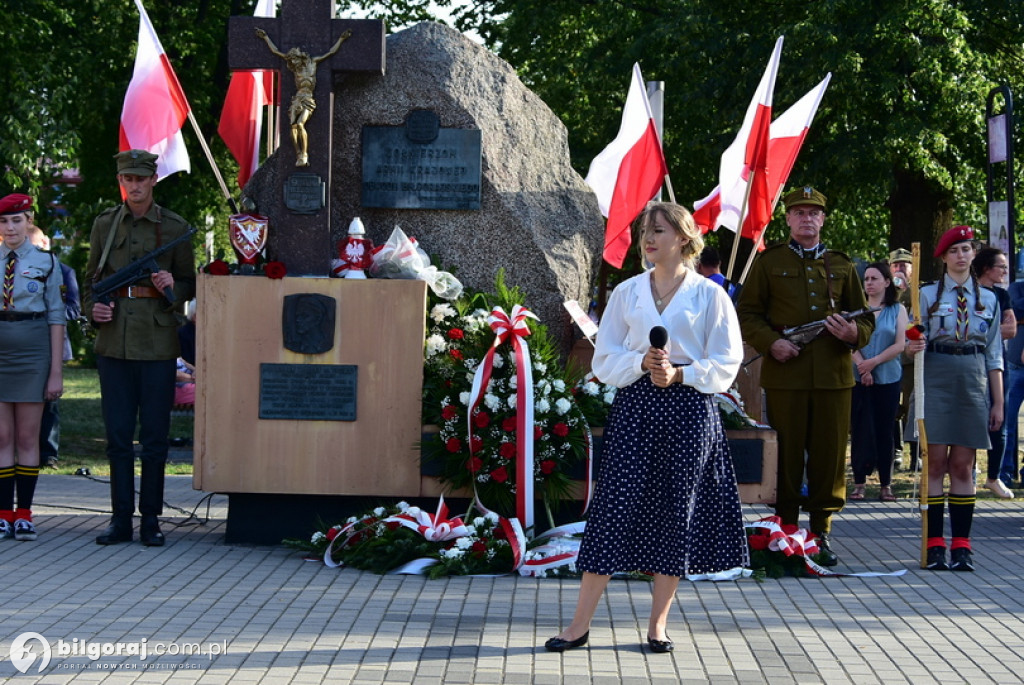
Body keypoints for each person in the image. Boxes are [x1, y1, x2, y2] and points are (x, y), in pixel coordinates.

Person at [545, 203, 746, 654]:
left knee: (675, 511)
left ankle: (658, 625)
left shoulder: (710, 295)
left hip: (689, 412)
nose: (648, 239)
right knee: (613, 508)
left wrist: (682, 374)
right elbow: (603, 357)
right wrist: (639, 362)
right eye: (644, 232)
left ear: (683, 237)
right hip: (636, 408)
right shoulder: (627, 292)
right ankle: (578, 625)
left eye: (658, 230)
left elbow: (726, 361)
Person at [736, 186, 874, 566]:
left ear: (823, 219)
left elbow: (864, 318)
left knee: (828, 456)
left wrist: (852, 335)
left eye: (814, 212)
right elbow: (748, 314)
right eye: (799, 212)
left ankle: (820, 532)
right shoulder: (769, 262)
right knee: (786, 455)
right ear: (788, 219)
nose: (807, 218)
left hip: (833, 375)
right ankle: (785, 531)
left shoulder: (842, 264)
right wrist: (771, 344)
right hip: (787, 374)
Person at [83, 150, 196, 547]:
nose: (133, 186)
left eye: (140, 179)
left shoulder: (175, 227)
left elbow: (190, 285)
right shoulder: (105, 225)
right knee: (117, 436)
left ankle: (151, 520)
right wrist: (92, 309)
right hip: (113, 341)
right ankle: (120, 521)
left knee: (154, 437)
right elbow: (90, 280)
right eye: (127, 179)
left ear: (152, 181)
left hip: (157, 343)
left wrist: (172, 286)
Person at [918, 226, 1002, 572]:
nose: (961, 256)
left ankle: (962, 546)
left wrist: (998, 402)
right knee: (936, 463)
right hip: (936, 375)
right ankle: (935, 544)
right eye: (954, 251)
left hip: (972, 378)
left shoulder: (991, 299)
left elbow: (994, 353)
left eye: (966, 249)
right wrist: (912, 344)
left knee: (963, 465)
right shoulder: (924, 295)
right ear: (944, 258)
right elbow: (911, 344)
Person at [0, 193, 65, 541]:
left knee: (27, 436)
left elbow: (57, 317)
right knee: (1, 436)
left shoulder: (47, 262)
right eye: (4, 221)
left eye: (17, 220)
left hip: (33, 353)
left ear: (28, 221)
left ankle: (24, 513)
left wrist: (55, 370)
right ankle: (2, 513)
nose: (10, 228)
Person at [849, 262, 907, 501]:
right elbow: (848, 341)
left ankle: (886, 483)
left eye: (874, 278)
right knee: (860, 428)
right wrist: (863, 365)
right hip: (858, 376)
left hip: (888, 377)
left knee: (885, 429)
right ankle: (859, 482)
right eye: (866, 279)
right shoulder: (856, 309)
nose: (869, 283)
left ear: (886, 282)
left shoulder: (897, 310)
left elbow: (899, 344)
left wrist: (873, 363)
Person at [27, 217, 80, 468]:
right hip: (22, 345)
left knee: (49, 401)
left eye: (36, 247)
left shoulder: (64, 271)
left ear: (46, 243)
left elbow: (74, 308)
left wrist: (49, 311)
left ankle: (48, 453)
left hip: (52, 344)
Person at [255, 28, 350, 166]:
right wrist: (265, 38)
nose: (292, 63)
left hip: (308, 99)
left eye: (294, 59)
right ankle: (298, 154)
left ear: (299, 58)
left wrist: (341, 39)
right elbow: (275, 52)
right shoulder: (295, 69)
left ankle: (304, 154)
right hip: (297, 99)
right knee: (292, 126)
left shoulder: (313, 63)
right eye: (291, 61)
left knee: (300, 124)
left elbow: (331, 52)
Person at [972, 246, 1015, 499]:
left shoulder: (1002, 295)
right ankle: (970, 470)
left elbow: (1011, 330)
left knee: (1000, 422)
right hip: (971, 365)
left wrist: (982, 330)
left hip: (997, 363)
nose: (1005, 271)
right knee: (971, 418)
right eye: (1001, 267)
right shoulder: (970, 291)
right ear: (987, 268)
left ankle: (994, 476)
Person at [889, 247, 918, 470]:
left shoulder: (918, 292)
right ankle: (895, 452)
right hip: (889, 357)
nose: (899, 269)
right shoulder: (885, 291)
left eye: (904, 265)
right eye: (895, 265)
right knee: (891, 407)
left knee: (911, 406)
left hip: (910, 360)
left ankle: (914, 454)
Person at [999, 278, 1024, 488]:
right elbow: (1016, 310)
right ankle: (1004, 472)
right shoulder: (1017, 287)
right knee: (1007, 422)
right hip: (1015, 366)